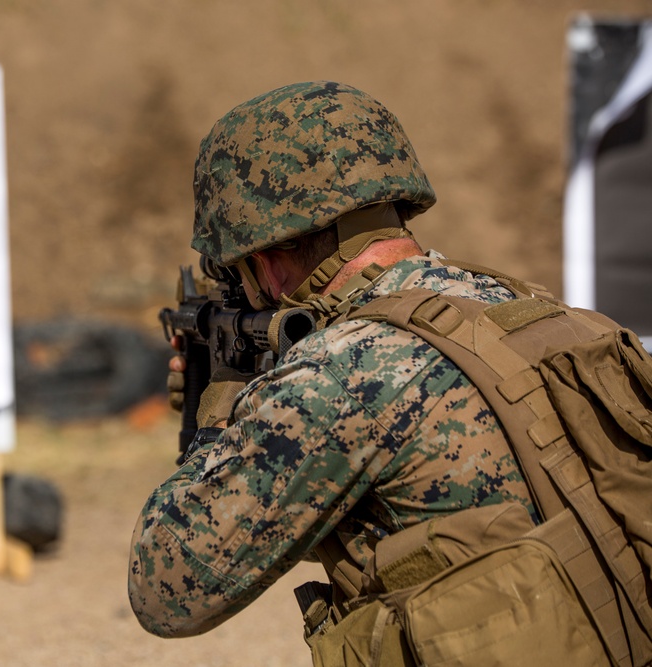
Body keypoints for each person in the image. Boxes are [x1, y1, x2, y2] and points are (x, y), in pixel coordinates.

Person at [128, 81, 625, 665]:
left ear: (263, 259)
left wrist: (222, 414)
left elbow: (167, 587)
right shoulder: (538, 313)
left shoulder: (344, 376)